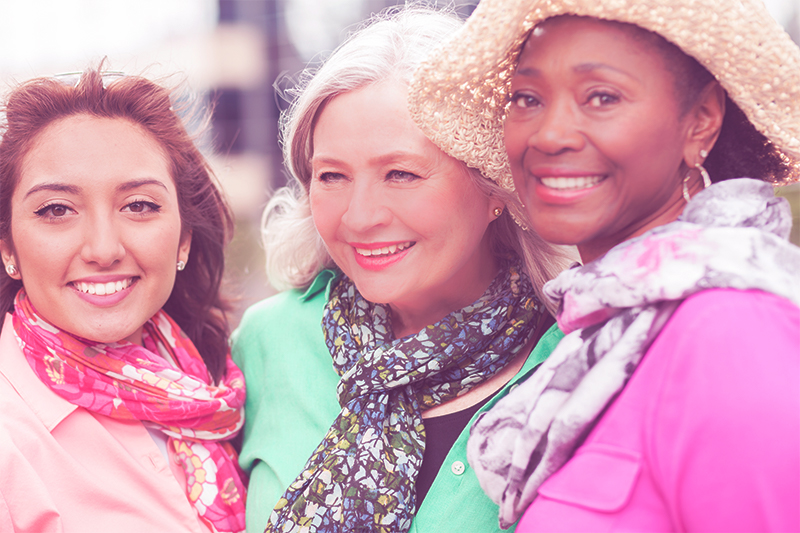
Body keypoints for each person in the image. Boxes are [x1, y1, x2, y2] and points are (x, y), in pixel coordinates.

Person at [409, 0, 800, 530]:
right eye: (527, 98)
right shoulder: (601, 333)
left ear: (701, 122)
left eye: (601, 97)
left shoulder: (727, 333)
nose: (550, 134)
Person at [232, 7, 570, 533]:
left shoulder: (572, 359)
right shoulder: (269, 342)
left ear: (493, 185)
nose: (360, 217)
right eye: (332, 176)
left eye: (401, 173)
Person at [0, 68, 247, 532]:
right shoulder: (10, 446)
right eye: (57, 210)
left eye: (138, 205)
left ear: (184, 239)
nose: (104, 249)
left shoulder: (220, 382)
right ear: (8, 246)